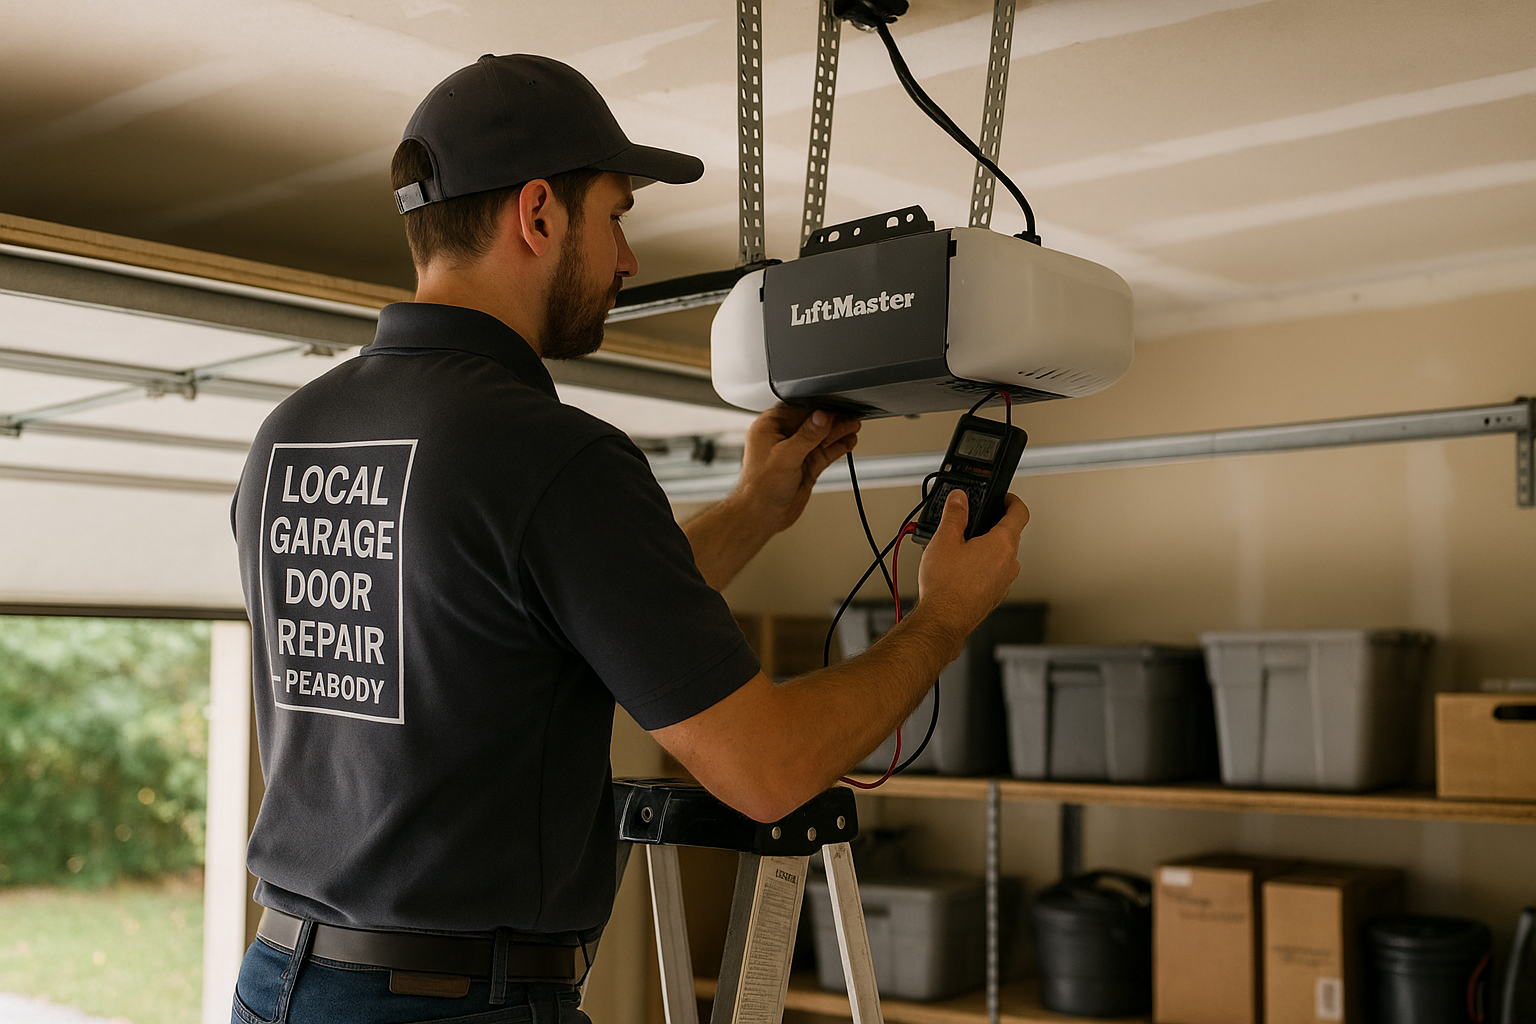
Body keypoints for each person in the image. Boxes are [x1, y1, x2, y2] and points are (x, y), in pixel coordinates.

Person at [229, 54, 1029, 1024]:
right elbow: (767, 771)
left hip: (280, 985)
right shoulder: (551, 455)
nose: (627, 260)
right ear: (537, 214)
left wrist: (753, 511)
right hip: (454, 1007)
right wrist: (943, 617)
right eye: (617, 216)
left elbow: (525, 616)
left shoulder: (291, 435)